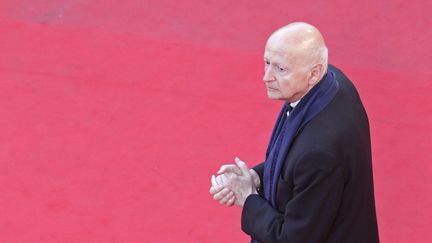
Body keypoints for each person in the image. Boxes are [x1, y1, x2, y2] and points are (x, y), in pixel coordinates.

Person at [209, 22, 379, 243]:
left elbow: (292, 238)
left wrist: (248, 197)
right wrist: (255, 177)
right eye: (267, 63)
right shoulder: (331, 83)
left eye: (281, 69)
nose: (266, 77)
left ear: (313, 73)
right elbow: (298, 162)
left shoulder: (319, 153)